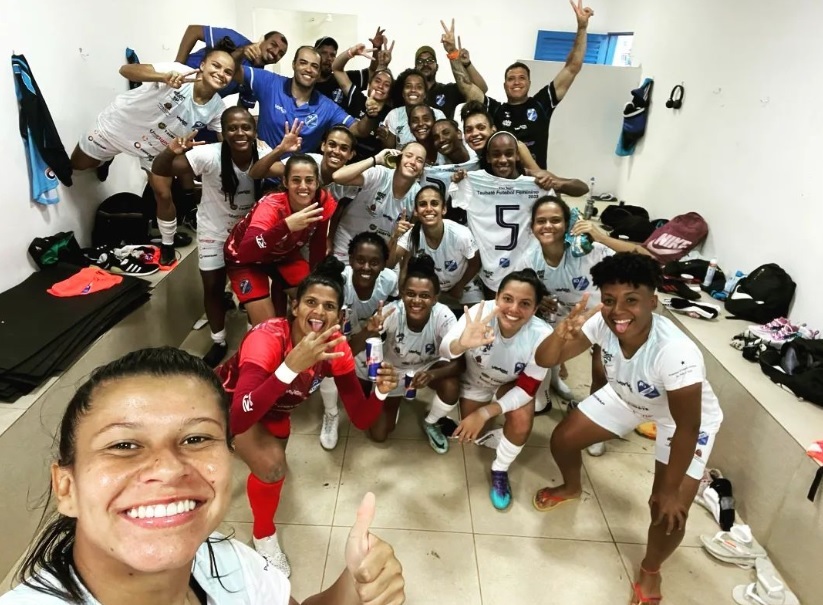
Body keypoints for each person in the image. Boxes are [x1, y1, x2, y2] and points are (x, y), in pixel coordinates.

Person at [0, 346, 406, 604]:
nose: (168, 468)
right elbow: (248, 405)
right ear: (66, 487)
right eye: (123, 445)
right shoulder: (267, 343)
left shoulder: (228, 562)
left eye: (195, 438)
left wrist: (353, 588)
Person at [533, 253, 723, 605]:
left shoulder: (676, 352)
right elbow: (546, 359)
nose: (618, 311)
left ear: (653, 302)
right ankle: (572, 487)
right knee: (563, 439)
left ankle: (651, 569)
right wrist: (559, 336)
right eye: (609, 300)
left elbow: (688, 426)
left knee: (667, 509)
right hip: (627, 395)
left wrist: (670, 489)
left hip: (679, 420)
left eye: (631, 300)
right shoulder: (602, 322)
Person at [216, 257, 399, 577]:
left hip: (274, 409)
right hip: (227, 406)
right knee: (272, 467)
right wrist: (290, 368)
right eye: (311, 302)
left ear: (340, 317)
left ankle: (235, 452)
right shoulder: (267, 337)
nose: (319, 312)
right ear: (295, 307)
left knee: (273, 464)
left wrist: (381, 393)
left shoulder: (336, 348)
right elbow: (240, 416)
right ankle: (263, 535)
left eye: (329, 306)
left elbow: (361, 419)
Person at [71, 46, 235, 265]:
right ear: (202, 65)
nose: (221, 73)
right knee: (78, 166)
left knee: (163, 194)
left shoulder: (217, 108)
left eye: (228, 72)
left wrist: (246, 149)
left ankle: (167, 245)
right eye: (216, 65)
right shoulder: (177, 71)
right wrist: (162, 77)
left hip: (156, 149)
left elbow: (227, 142)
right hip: (119, 127)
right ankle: (106, 158)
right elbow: (126, 70)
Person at [152, 107, 273, 367]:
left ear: (254, 131)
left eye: (246, 127)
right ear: (223, 132)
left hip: (248, 233)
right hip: (214, 231)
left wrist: (283, 149)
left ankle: (253, 339)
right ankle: (218, 341)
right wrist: (171, 151)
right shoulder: (209, 154)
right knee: (213, 287)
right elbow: (161, 169)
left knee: (254, 289)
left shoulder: (263, 154)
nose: (239, 133)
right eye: (232, 128)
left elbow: (288, 173)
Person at [434, 269, 553, 510]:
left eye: (525, 303)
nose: (513, 309)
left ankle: (500, 469)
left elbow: (528, 387)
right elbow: (445, 350)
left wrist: (486, 412)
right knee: (475, 436)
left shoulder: (542, 335)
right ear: (497, 297)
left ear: (535, 308)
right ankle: (500, 435)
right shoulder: (479, 314)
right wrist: (461, 344)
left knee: (521, 419)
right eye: (507, 299)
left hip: (510, 385)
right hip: (475, 383)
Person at [524, 195, 652, 415]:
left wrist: (601, 237)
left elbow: (647, 257)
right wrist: (538, 298)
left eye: (555, 220)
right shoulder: (530, 257)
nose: (548, 226)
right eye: (541, 221)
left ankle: (595, 414)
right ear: (532, 226)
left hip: (599, 317)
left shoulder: (591, 250)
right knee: (543, 348)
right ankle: (553, 379)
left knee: (601, 369)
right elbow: (528, 288)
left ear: (568, 224)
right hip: (562, 319)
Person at [449, 1, 595, 168]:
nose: (516, 82)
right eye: (511, 79)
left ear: (529, 83)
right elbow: (466, 86)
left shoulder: (542, 104)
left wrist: (582, 28)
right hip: (500, 180)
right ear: (505, 85)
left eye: (521, 78)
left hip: (535, 180)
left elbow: (572, 67)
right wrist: (452, 53)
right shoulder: (496, 110)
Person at [353, 255, 462, 452]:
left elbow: (460, 363)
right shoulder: (391, 312)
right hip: (392, 371)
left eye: (425, 296)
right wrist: (368, 330)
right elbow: (352, 349)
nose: (417, 301)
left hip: (426, 366)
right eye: (411, 294)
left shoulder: (444, 316)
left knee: (451, 385)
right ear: (402, 294)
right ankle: (389, 400)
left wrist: (432, 375)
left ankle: (431, 422)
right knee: (378, 435)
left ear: (435, 298)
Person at [223, 154, 336, 324]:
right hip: (245, 259)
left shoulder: (322, 201)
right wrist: (285, 226)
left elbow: (317, 246)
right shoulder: (271, 206)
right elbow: (245, 252)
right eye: (296, 180)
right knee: (267, 326)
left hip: (283, 255)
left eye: (309, 180)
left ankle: (289, 327)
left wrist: (317, 281)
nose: (303, 186)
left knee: (314, 301)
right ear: (285, 182)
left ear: (317, 183)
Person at [318, 232, 398, 451]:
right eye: (360, 260)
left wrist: (379, 326)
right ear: (351, 259)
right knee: (328, 363)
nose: (366, 267)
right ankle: (331, 413)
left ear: (384, 264)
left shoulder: (389, 280)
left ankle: (390, 398)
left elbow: (395, 308)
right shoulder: (338, 283)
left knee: (372, 401)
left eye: (374, 262)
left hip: (373, 339)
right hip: (343, 339)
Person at [450, 132, 548, 294]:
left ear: (518, 156)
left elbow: (579, 188)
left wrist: (551, 183)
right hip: (490, 269)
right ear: (488, 158)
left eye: (509, 153)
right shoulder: (473, 182)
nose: (503, 160)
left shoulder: (535, 185)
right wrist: (459, 181)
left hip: (525, 267)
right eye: (496, 154)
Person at [233, 46, 381, 154]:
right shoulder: (270, 82)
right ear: (294, 64)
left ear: (319, 73)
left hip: (300, 179)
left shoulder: (326, 106)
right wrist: (241, 52)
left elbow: (359, 130)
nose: (309, 69)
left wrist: (370, 114)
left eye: (314, 66)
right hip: (262, 174)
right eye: (303, 63)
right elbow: (232, 70)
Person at [460, 101, 589, 195]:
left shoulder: (518, 147)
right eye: (469, 130)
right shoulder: (472, 160)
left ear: (493, 129)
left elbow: (542, 180)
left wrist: (553, 186)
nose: (475, 134)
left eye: (481, 128)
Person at [388, 185, 483, 312]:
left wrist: (459, 286)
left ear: (443, 209)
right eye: (423, 204)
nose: (429, 209)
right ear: (416, 211)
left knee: (477, 316)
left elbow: (475, 264)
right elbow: (389, 264)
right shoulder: (412, 234)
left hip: (464, 283)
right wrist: (394, 237)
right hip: (431, 288)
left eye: (434, 203)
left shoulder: (460, 234)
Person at [330, 143, 425, 261]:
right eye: (409, 156)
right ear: (399, 157)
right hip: (346, 245)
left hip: (378, 255)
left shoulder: (418, 195)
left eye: (419, 160)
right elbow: (337, 177)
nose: (413, 162)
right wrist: (376, 159)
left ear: (422, 169)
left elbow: (409, 238)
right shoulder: (379, 174)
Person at [175, 25, 288, 108]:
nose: (275, 52)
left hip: (198, 106)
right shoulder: (236, 39)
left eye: (281, 53)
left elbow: (243, 106)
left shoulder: (257, 77)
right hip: (178, 83)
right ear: (262, 40)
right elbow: (193, 31)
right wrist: (176, 66)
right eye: (273, 44)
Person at [415, 19, 488, 120]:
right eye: (420, 61)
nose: (425, 64)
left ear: (437, 67)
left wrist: (464, 62)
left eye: (430, 60)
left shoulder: (448, 91)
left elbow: (481, 90)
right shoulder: (409, 93)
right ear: (415, 68)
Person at [332, 42, 394, 160]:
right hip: (345, 158)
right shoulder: (357, 98)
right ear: (369, 84)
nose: (381, 86)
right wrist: (350, 53)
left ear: (390, 92)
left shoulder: (391, 114)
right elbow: (336, 69)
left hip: (374, 164)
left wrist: (386, 139)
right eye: (377, 81)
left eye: (386, 85)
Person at [314, 31, 384, 107]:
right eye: (324, 53)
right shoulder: (308, 85)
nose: (329, 58)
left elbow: (372, 72)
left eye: (332, 55)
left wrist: (377, 48)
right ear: (314, 55)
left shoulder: (344, 78)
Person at [380, 69, 446, 149]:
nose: (413, 90)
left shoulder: (438, 115)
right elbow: (389, 150)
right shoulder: (394, 115)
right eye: (408, 86)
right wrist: (384, 138)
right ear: (402, 93)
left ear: (425, 94)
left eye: (419, 87)